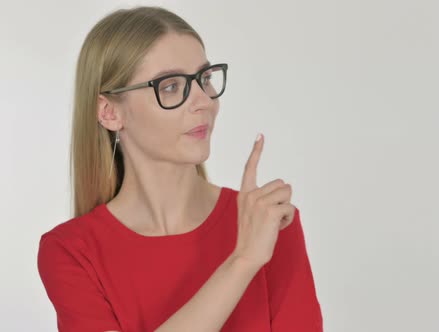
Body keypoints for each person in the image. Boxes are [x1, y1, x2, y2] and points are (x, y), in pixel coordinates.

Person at [36, 6, 323, 332]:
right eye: (170, 86)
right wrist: (242, 262)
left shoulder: (268, 222)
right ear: (109, 112)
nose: (204, 100)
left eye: (205, 78)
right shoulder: (71, 252)